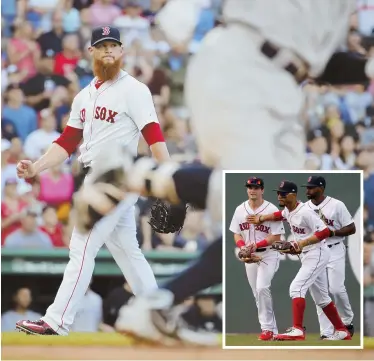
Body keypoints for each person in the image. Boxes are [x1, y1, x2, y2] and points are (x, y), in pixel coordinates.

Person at [15, 25, 170, 336]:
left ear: (123, 51)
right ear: (92, 52)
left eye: (114, 45)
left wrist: (169, 179)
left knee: (81, 246)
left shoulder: (135, 89)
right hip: (93, 177)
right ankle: (161, 315)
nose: (109, 51)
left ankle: (57, 320)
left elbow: (154, 135)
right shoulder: (85, 95)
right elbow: (67, 141)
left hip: (116, 178)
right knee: (129, 253)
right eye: (103, 46)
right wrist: (37, 167)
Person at [156, 0, 374, 170]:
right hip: (240, 65)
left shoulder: (339, 9)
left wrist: (367, 68)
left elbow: (321, 65)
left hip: (285, 86)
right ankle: (160, 179)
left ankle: (159, 178)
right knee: (257, 189)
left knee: (285, 195)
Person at [247, 180, 351, 341]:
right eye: (277, 193)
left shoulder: (305, 212)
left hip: (317, 253)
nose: (279, 196)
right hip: (308, 255)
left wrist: (301, 243)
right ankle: (341, 330)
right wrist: (261, 218)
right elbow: (279, 215)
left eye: (283, 194)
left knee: (296, 288)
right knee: (322, 298)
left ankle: (297, 330)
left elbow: (324, 231)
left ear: (293, 195)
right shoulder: (289, 210)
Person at [229, 177, 284, 341]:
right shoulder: (240, 209)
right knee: (257, 293)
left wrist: (255, 244)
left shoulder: (271, 209)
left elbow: (276, 236)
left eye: (255, 187)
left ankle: (267, 329)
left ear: (262, 190)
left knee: (262, 288)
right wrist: (242, 246)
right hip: (250, 255)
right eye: (249, 187)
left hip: (268, 253)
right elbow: (236, 232)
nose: (252, 190)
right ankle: (270, 330)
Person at [302, 175, 356, 338]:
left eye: (311, 187)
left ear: (321, 188)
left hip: (335, 248)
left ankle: (347, 322)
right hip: (315, 250)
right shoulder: (304, 208)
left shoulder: (336, 205)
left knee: (336, 289)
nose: (308, 190)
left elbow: (351, 228)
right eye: (307, 187)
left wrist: (333, 232)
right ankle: (326, 331)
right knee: (320, 292)